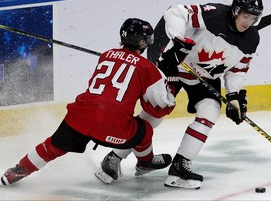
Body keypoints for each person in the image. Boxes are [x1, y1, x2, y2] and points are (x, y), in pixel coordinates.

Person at [98, 0, 264, 189]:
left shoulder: (252, 38)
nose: (248, 21)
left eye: (253, 18)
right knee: (155, 111)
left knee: (210, 111)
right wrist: (178, 41)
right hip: (176, 66)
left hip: (205, 78)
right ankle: (114, 156)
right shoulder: (215, 14)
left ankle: (180, 166)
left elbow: (238, 67)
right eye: (245, 15)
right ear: (236, 10)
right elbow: (175, 12)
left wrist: (234, 95)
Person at [0, 18, 185, 186]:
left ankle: (15, 172)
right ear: (146, 42)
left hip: (80, 117)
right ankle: (145, 163)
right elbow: (161, 107)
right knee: (144, 131)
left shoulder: (106, 55)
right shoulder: (148, 69)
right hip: (115, 128)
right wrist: (172, 78)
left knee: (52, 147)